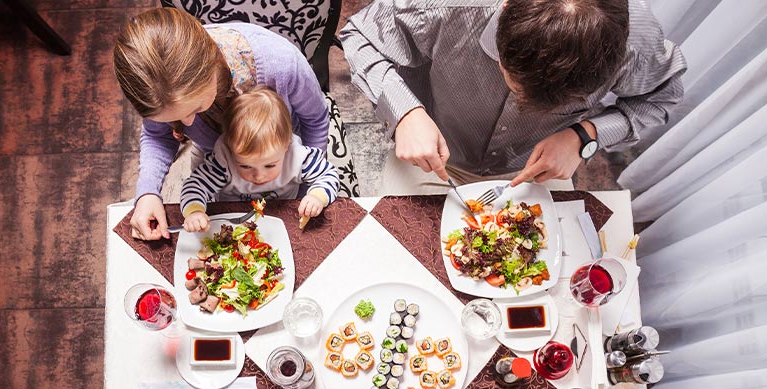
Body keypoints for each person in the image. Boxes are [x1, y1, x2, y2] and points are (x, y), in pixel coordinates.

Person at [340, 0, 686, 194]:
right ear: (504, 9)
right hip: (433, 153)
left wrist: (585, 136)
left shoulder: (635, 39)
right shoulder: (445, 4)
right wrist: (405, 113)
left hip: (536, 169)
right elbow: (359, 36)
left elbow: (661, 98)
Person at [114, 8, 330, 241]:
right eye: (172, 119)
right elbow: (157, 136)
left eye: (196, 109)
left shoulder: (282, 64)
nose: (188, 125)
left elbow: (315, 122)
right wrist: (147, 194)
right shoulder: (157, 84)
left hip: (280, 152)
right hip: (216, 164)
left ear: (213, 71)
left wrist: (310, 192)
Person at [180, 86, 339, 232]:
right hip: (233, 223)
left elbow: (329, 175)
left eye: (270, 165)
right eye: (245, 166)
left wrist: (316, 197)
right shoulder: (224, 161)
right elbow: (195, 185)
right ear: (230, 148)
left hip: (283, 219)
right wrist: (194, 211)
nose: (259, 176)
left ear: (286, 146)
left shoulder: (297, 157)